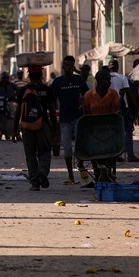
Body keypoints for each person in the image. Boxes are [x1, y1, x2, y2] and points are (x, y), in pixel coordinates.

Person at [49, 55, 89, 184]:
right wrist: (54, 121)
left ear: (73, 67)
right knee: (67, 149)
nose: (68, 68)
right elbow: (52, 102)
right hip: (64, 119)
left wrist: (84, 102)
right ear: (63, 66)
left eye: (71, 65)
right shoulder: (58, 82)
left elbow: (87, 96)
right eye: (66, 65)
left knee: (80, 147)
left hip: (78, 118)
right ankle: (70, 175)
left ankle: (81, 166)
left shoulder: (80, 80)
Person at [16, 65, 57, 191]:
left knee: (30, 155)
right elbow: (52, 111)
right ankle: (43, 171)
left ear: (29, 76)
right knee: (44, 151)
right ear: (41, 76)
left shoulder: (23, 90)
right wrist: (54, 129)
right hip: (42, 125)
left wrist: (14, 130)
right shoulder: (47, 90)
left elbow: (18, 111)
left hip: (26, 127)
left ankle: (34, 182)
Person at [83, 67, 122, 183]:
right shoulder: (89, 95)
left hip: (109, 131)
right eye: (106, 80)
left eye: (109, 80)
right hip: (94, 132)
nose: (109, 82)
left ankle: (109, 173)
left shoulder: (113, 94)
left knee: (110, 155)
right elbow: (86, 114)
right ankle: (98, 175)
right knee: (96, 156)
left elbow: (117, 111)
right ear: (99, 81)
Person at [108, 59, 139, 162]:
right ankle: (130, 154)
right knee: (127, 131)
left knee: (115, 132)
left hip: (110, 108)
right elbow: (128, 93)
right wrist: (136, 107)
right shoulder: (122, 77)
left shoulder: (105, 78)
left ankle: (116, 154)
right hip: (123, 107)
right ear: (118, 67)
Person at [0, 71, 18, 141]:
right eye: (4, 78)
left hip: (9, 102)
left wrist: (15, 96)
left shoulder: (12, 85)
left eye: (6, 78)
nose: (5, 79)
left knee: (14, 114)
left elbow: (17, 90)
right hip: (1, 102)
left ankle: (16, 132)